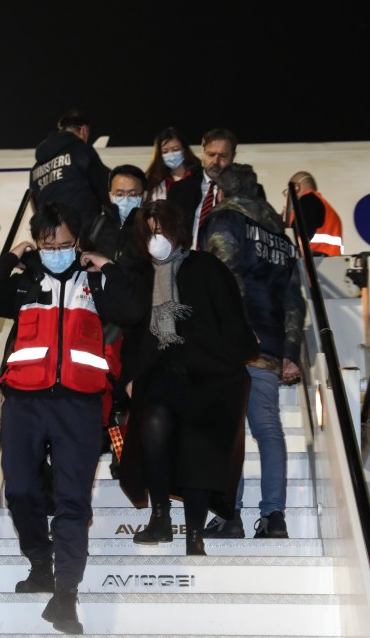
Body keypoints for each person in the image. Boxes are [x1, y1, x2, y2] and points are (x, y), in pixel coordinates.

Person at [0, 202, 144, 634]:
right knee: (21, 489)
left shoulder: (95, 282)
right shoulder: (24, 283)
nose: (56, 252)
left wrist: (108, 266)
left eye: (64, 244)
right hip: (25, 402)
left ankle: (66, 593)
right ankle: (39, 563)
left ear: (78, 242)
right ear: (37, 245)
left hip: (79, 405)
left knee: (72, 500)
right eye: (47, 246)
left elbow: (133, 309)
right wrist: (13, 255)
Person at [118, 200, 258, 556]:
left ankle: (194, 535)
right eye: (150, 232)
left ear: (177, 230)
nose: (156, 238)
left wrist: (230, 360)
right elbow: (133, 332)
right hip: (160, 372)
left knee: (199, 452)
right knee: (153, 432)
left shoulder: (205, 266)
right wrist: (131, 375)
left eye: (161, 230)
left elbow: (231, 321)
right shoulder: (142, 276)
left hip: (208, 375)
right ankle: (160, 517)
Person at [201, 164, 305, 539]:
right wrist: (289, 349)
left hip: (233, 343)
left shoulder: (226, 219)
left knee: (228, 433)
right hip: (270, 344)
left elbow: (220, 277)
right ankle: (274, 517)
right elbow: (294, 300)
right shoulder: (281, 236)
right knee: (268, 429)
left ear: (223, 192)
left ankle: (229, 516)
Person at [30, 110, 111, 236]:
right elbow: (105, 187)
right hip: (83, 232)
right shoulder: (81, 151)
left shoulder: (36, 168)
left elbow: (35, 204)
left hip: (52, 236)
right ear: (84, 130)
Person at [168, 128, 237, 249]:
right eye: (211, 155)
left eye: (223, 156)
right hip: (187, 258)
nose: (215, 161)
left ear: (232, 157)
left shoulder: (247, 191)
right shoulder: (179, 189)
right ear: (203, 154)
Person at [285, 171, 344, 256]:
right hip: (331, 261)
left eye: (288, 191)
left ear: (296, 187)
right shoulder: (327, 209)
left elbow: (295, 239)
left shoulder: (308, 201)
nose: (288, 196)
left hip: (314, 261)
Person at [143, 127, 201, 203]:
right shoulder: (154, 179)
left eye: (175, 149)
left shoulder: (198, 174)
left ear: (184, 150)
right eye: (165, 151)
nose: (171, 154)